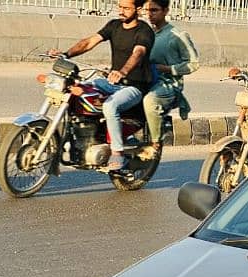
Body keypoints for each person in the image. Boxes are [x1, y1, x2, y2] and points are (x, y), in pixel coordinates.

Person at [50, 0, 154, 171]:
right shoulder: (114, 25)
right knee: (82, 89)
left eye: (126, 8)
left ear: (139, 9)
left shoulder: (144, 31)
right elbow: (90, 41)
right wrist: (65, 54)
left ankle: (117, 152)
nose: (121, 11)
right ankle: (84, 135)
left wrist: (122, 71)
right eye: (119, 7)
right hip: (111, 83)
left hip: (134, 87)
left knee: (110, 105)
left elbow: (138, 53)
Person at [143, 0, 199, 157]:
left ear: (166, 10)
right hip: (147, 79)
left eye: (154, 10)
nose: (150, 14)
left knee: (150, 100)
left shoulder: (177, 35)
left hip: (168, 84)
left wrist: (168, 69)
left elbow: (193, 63)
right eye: (147, 10)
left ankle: (155, 143)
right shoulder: (147, 33)